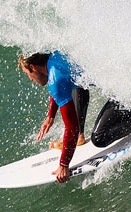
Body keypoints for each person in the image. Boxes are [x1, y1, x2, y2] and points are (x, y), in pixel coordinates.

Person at [18, 51, 89, 183]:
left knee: (100, 138)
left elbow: (71, 128)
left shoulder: (55, 81)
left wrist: (63, 164)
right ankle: (81, 136)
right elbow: (60, 84)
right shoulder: (55, 58)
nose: (30, 79)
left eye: (28, 74)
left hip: (121, 91)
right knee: (77, 82)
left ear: (33, 67)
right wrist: (51, 115)